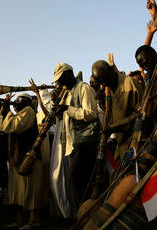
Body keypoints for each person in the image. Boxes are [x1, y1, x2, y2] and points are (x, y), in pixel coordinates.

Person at [52, 63, 99, 216]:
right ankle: (83, 215)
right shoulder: (67, 93)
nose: (59, 83)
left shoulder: (84, 88)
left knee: (77, 179)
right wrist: (60, 109)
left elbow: (91, 113)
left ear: (68, 74)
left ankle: (86, 215)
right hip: (72, 144)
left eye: (60, 79)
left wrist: (68, 109)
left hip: (84, 142)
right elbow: (64, 118)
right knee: (79, 182)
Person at [0, 93, 45, 230]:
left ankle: (34, 221)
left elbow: (11, 126)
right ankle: (19, 220)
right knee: (17, 190)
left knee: (31, 190)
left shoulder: (29, 112)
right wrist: (6, 109)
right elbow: (3, 127)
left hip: (29, 159)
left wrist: (7, 110)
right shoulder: (19, 114)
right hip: (18, 159)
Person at [91, 60, 144, 161]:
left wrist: (113, 128)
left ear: (111, 71)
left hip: (135, 140)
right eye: (101, 81)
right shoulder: (107, 89)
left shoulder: (130, 84)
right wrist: (101, 101)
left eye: (105, 79)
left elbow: (140, 115)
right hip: (120, 142)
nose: (104, 83)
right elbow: (110, 115)